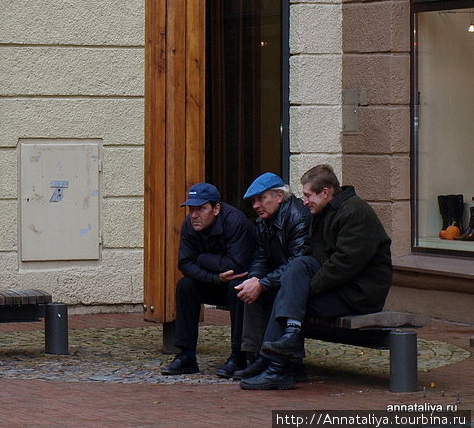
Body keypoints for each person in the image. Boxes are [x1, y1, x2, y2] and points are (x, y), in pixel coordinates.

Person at [240, 164, 392, 390]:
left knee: (291, 296)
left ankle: (277, 367)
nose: (304, 201)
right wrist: (296, 287)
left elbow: (344, 265)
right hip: (339, 287)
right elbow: (310, 256)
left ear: (326, 193)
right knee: (297, 271)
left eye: (308, 195)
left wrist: (305, 288)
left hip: (359, 294)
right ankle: (278, 361)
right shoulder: (322, 213)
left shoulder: (355, 212)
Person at [161, 182, 255, 377]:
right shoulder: (189, 224)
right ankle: (186, 355)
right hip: (215, 280)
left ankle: (239, 356)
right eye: (191, 209)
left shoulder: (236, 222)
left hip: (241, 282)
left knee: (237, 287)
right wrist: (213, 278)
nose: (194, 215)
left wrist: (202, 259)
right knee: (185, 286)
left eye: (201, 208)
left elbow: (236, 265)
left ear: (216, 208)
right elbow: (185, 263)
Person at [233, 172, 310, 381]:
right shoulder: (263, 222)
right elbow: (260, 258)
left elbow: (297, 262)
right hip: (281, 278)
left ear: (279, 196)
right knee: (248, 289)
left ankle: (277, 360)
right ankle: (256, 356)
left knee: (267, 291)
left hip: (301, 282)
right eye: (253, 201)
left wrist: (264, 283)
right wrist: (256, 279)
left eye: (261, 199)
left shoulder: (298, 216)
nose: (256, 205)